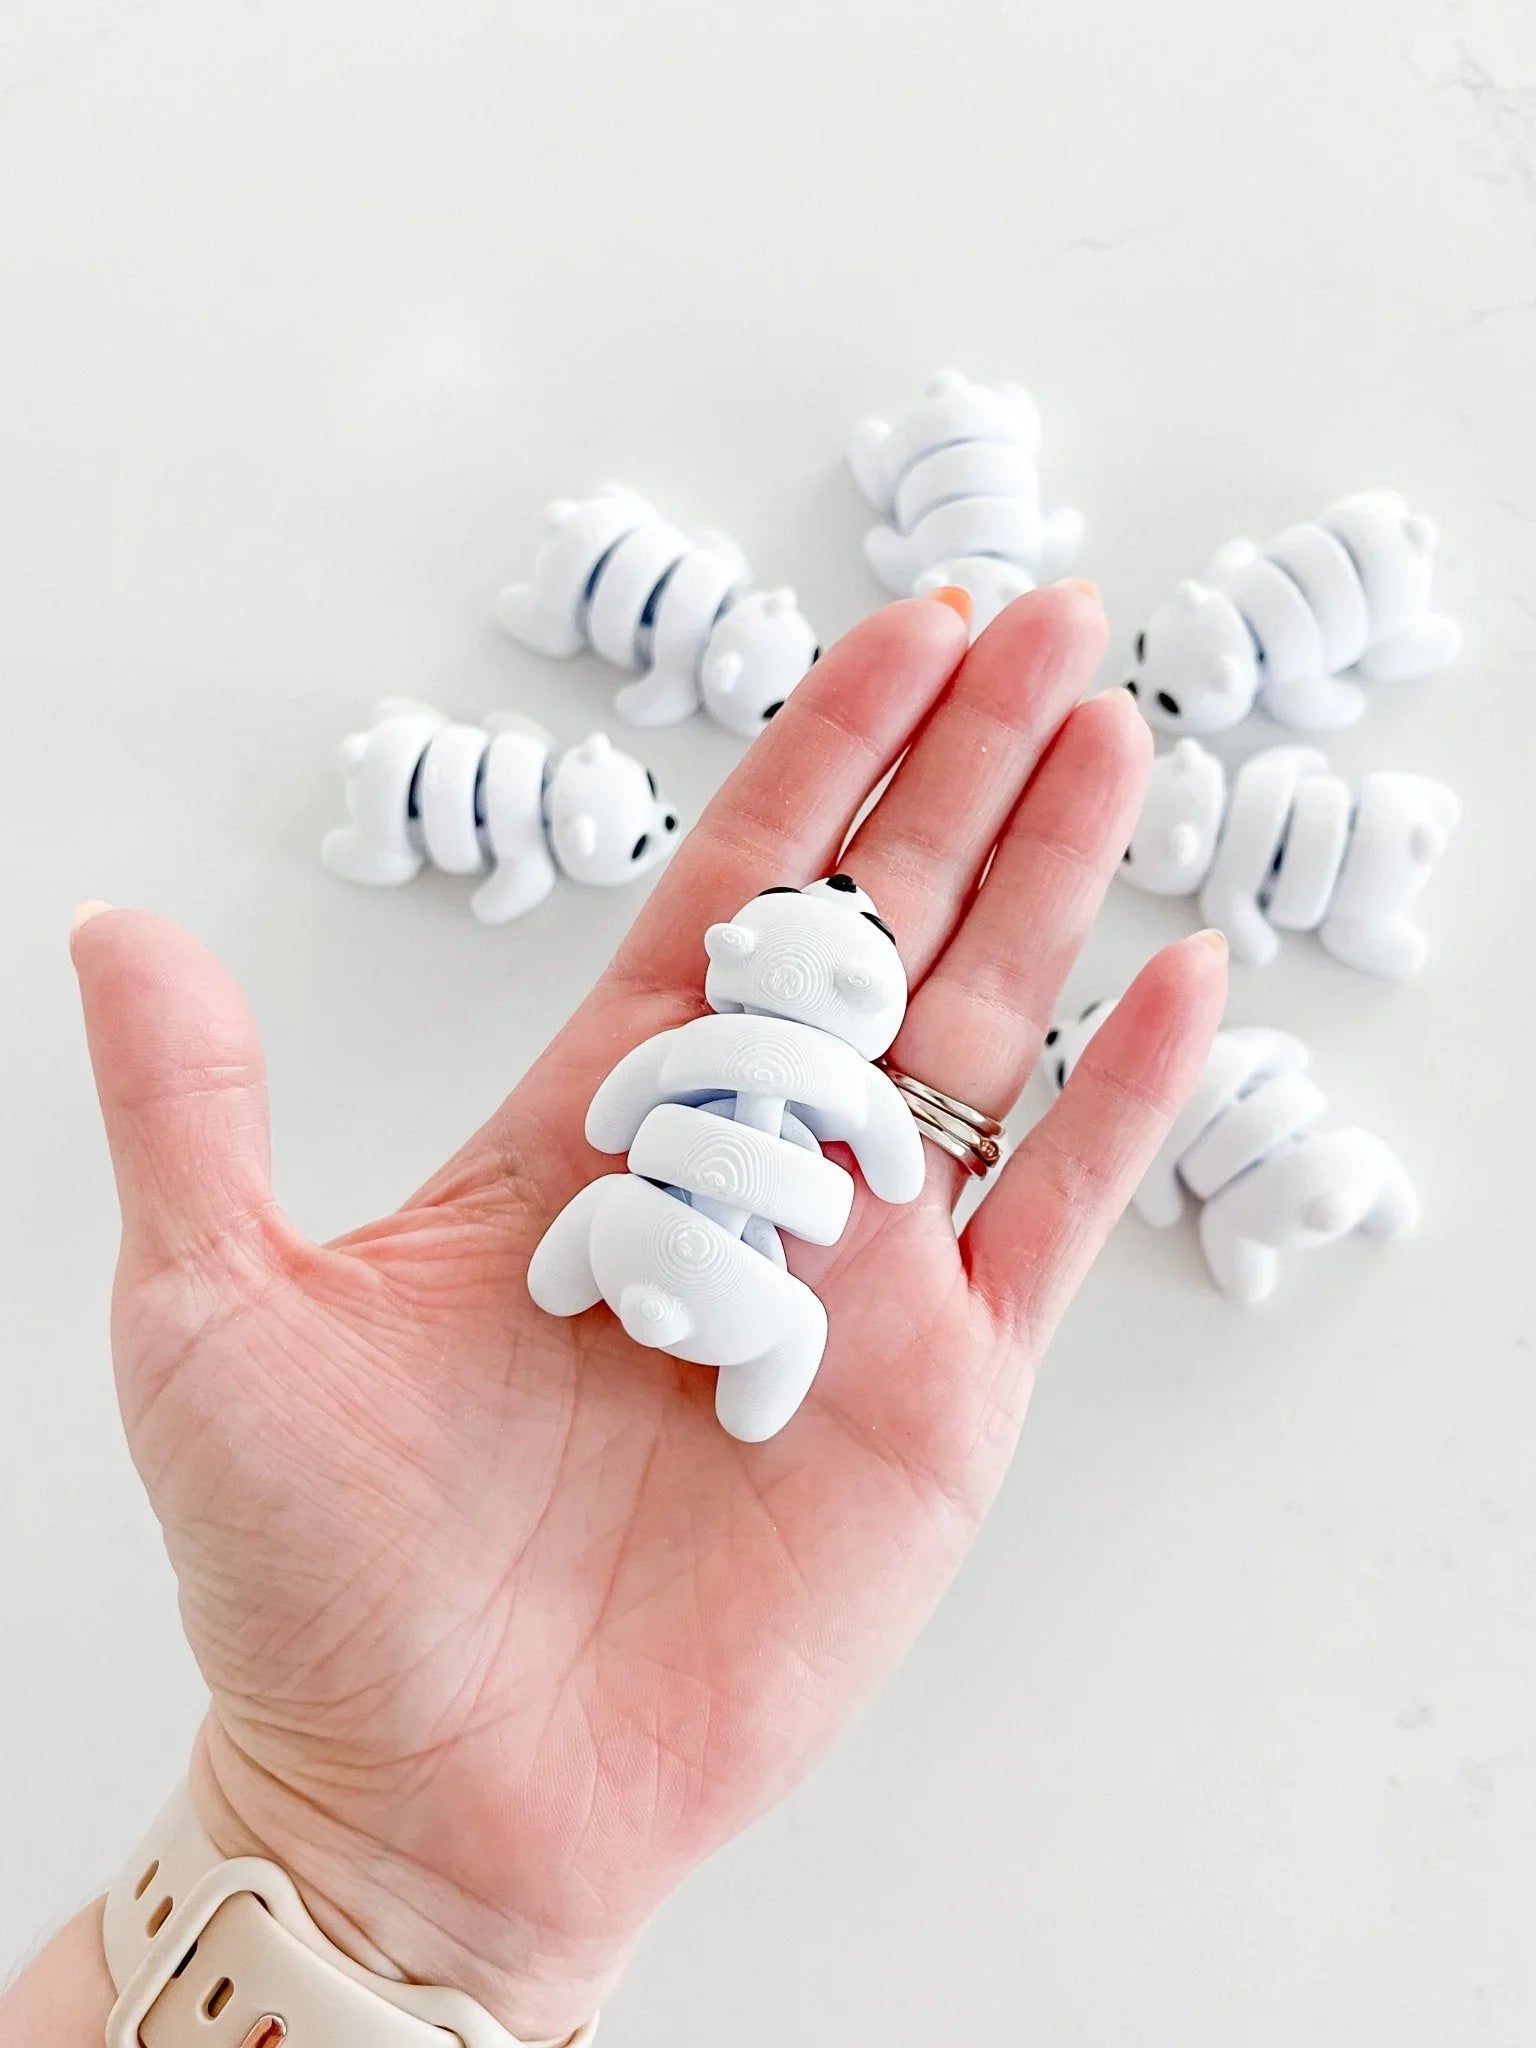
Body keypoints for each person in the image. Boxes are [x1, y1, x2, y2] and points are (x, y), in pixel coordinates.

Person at [1, 585, 1226, 2044]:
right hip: (652, 1242)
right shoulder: (734, 1062)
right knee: (641, 1269)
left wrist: (376, 1890)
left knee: (695, 1298)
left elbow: (883, 1148)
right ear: (735, 960)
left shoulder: (828, 1083)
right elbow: (772, 1125)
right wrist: (365, 1870)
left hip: (697, 1256)